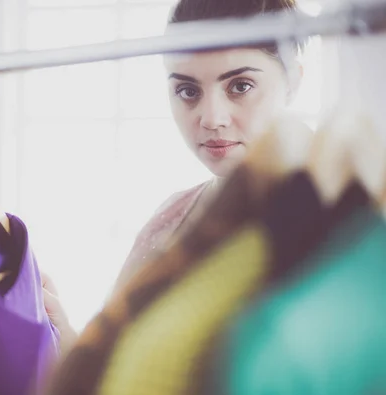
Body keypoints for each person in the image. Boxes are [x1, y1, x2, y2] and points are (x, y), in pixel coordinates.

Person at [43, 0, 305, 346]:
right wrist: (63, 334)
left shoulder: (339, 225)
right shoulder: (169, 218)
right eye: (188, 91)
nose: (211, 118)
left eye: (240, 86)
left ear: (293, 81)